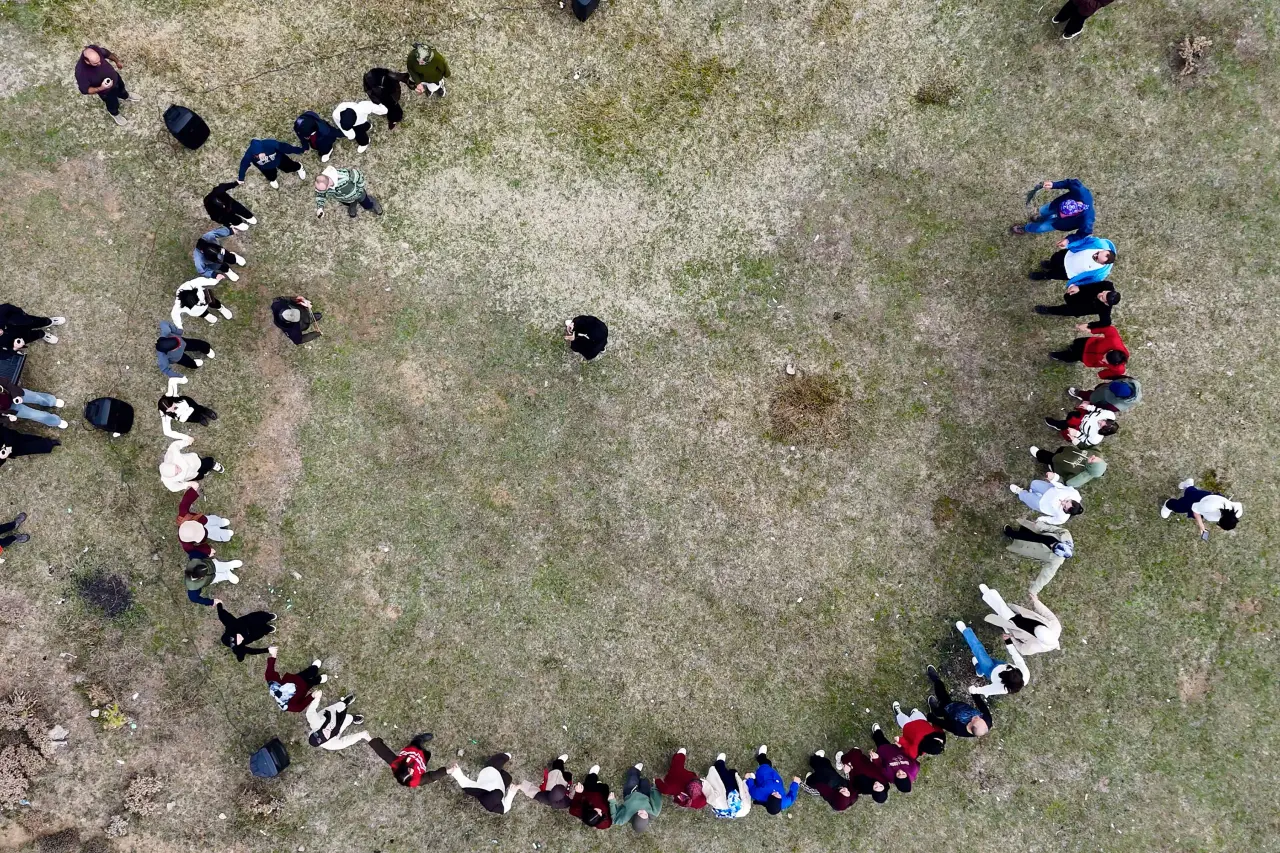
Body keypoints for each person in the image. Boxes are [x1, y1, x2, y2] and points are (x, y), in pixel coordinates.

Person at [980, 583, 1062, 655]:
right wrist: (1036, 602)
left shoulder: (1034, 647)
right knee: (1005, 610)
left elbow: (1022, 650)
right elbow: (1047, 613)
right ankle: (992, 600)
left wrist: (1011, 638)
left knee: (1004, 611)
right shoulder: (1056, 626)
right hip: (1025, 616)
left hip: (1016, 627)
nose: (1035, 628)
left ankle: (988, 594)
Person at [955, 620, 1029, 696]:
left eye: (1007, 670)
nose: (1007, 668)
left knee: (979, 651)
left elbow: (987, 690)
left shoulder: (1001, 688)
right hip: (1000, 664)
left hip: (990, 671)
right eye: (1010, 668)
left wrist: (974, 690)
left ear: (1003, 680)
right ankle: (979, 670)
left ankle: (965, 631)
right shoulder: (1025, 673)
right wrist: (1008, 642)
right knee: (986, 661)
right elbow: (1017, 657)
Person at [1003, 518, 1075, 595]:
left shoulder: (1057, 560)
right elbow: (1053, 529)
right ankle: (1018, 532)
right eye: (1054, 544)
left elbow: (1046, 575)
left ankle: (1011, 534)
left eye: (1053, 548)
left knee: (1024, 540)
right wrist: (1040, 525)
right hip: (1039, 534)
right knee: (1028, 531)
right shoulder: (1066, 535)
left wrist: (1034, 591)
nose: (1051, 545)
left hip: (1034, 547)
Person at [1161, 478, 1243, 539]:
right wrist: (1201, 526)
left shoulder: (1237, 512)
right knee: (1180, 506)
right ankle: (1168, 504)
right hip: (1201, 501)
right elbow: (1195, 509)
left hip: (1208, 498)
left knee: (1193, 494)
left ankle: (1188, 486)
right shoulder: (1209, 506)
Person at [75, 45, 136, 125]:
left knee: (122, 89)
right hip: (106, 92)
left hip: (116, 78)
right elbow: (85, 90)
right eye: (96, 63)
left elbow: (108, 54)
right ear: (87, 61)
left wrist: (117, 61)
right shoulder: (81, 72)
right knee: (112, 103)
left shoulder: (95, 49)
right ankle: (115, 114)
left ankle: (125, 96)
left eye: (100, 60)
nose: (100, 63)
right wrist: (101, 88)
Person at [1011, 178, 1095, 237]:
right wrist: (1054, 184)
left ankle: (1025, 228)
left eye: (1063, 213)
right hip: (1056, 204)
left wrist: (1068, 241)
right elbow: (1069, 183)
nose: (1060, 213)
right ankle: (1041, 218)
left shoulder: (1087, 220)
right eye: (1061, 210)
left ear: (1074, 213)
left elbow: (1084, 234)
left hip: (1061, 223)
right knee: (1043, 210)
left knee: (1040, 228)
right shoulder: (1080, 191)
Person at [925, 665, 992, 738]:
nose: (977, 716)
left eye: (976, 719)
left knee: (942, 698)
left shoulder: (958, 729)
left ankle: (936, 682)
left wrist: (932, 719)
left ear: (970, 726)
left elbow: (943, 724)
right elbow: (981, 705)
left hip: (948, 712)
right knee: (944, 699)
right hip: (959, 706)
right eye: (980, 718)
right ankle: (937, 708)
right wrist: (975, 693)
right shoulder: (987, 720)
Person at [159, 419, 222, 492]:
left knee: (207, 463)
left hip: (194, 461)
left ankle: (213, 465)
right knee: (200, 476)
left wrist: (187, 441)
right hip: (190, 475)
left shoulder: (171, 456)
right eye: (176, 473)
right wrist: (187, 484)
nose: (180, 470)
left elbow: (175, 445)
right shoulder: (167, 480)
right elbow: (174, 488)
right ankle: (204, 473)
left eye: (177, 467)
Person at [1029, 235, 1117, 286]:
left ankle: (1044, 276)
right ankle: (1050, 265)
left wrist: (1075, 285)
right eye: (1098, 253)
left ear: (1103, 263)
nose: (1095, 255)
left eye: (1097, 258)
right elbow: (1084, 240)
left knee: (1053, 274)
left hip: (1068, 273)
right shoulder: (1099, 243)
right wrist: (1069, 244)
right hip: (1067, 255)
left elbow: (1087, 282)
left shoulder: (1099, 274)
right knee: (1054, 258)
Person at [1049, 324, 1129, 380]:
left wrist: (1101, 375)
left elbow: (1115, 372)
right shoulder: (1114, 341)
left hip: (1088, 358)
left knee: (1072, 356)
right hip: (1089, 343)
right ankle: (1072, 348)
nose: (1103, 360)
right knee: (1076, 342)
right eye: (1105, 357)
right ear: (1111, 350)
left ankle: (1060, 356)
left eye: (1106, 362)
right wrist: (1091, 330)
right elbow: (1110, 329)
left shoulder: (1118, 368)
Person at [448, 754, 520, 814]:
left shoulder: (481, 790)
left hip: (489, 772)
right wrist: (512, 792)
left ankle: (503, 758)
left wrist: (456, 772)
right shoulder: (501, 807)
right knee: (507, 777)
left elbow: (466, 784)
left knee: (500, 761)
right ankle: (504, 758)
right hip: (498, 781)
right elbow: (506, 807)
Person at [264, 647, 327, 712]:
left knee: (308, 673)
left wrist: (273, 656)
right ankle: (318, 679)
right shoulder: (292, 706)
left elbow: (269, 673)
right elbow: (301, 706)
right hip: (302, 689)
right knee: (310, 683)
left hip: (295, 679)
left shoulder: (275, 686)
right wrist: (312, 696)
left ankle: (314, 668)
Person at [176, 486, 234, 556]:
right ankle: (224, 535)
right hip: (206, 532)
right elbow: (194, 550)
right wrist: (208, 551)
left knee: (212, 520)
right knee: (213, 533)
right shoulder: (186, 544)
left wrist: (192, 492)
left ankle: (220, 522)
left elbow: (184, 504)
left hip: (204, 520)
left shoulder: (183, 516)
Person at [156, 320, 213, 389]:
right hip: (178, 357)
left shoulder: (166, 332)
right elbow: (165, 369)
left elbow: (164, 323)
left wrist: (177, 331)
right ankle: (194, 364)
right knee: (189, 363)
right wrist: (180, 376)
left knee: (198, 344)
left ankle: (207, 349)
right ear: (173, 349)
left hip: (184, 342)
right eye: (178, 345)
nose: (179, 343)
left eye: (177, 340)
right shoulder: (162, 357)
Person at [1034, 282, 1119, 329]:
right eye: (1103, 292)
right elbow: (1093, 285)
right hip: (1083, 295)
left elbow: (1106, 323)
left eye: (1101, 297)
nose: (1100, 294)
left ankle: (1048, 310)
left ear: (1106, 303)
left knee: (1063, 310)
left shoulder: (1105, 309)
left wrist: (1088, 325)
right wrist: (1079, 288)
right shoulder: (1107, 285)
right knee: (1068, 296)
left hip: (1080, 309)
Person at [305, 691, 371, 751]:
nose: (327, 730)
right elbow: (347, 741)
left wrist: (317, 699)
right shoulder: (331, 744)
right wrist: (361, 735)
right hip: (337, 727)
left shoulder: (315, 722)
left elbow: (310, 712)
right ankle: (353, 718)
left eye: (322, 731)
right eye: (326, 735)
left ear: (316, 730)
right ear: (325, 740)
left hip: (329, 713)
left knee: (338, 706)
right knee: (347, 719)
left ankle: (345, 702)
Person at [1010, 473, 1084, 525]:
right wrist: (1052, 480)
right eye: (1067, 501)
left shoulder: (1062, 518)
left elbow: (1051, 520)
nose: (1062, 502)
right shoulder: (1074, 494)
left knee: (1026, 497)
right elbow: (1062, 487)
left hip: (1042, 504)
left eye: (1064, 507)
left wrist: (1041, 519)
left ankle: (1019, 492)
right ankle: (1035, 493)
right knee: (1034, 483)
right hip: (1049, 490)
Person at [745, 745, 800, 814]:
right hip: (775, 777)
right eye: (779, 796)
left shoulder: (757, 793)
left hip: (763, 776)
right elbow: (792, 797)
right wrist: (795, 784)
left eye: (774, 794)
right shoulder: (784, 802)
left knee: (766, 763)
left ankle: (761, 755)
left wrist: (749, 778)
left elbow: (751, 787)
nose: (777, 793)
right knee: (768, 765)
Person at [314, 166, 382, 219]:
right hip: (343, 199)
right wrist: (320, 207)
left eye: (323, 190)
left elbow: (359, 176)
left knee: (366, 203)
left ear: (328, 184)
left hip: (358, 194)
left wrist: (359, 190)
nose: (321, 191)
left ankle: (371, 204)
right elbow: (320, 194)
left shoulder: (346, 176)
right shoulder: (322, 186)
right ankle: (352, 206)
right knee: (350, 203)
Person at [610, 763, 662, 833]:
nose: (643, 811)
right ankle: (641, 781)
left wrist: (612, 802)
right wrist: (655, 787)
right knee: (645, 782)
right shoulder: (654, 813)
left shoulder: (626, 817)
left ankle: (635, 771)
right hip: (645, 795)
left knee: (632, 780)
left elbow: (614, 819)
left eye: (640, 813)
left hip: (631, 793)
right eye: (645, 814)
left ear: (635, 816)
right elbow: (657, 800)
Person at [237, 138, 307, 188]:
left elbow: (286, 148)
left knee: (289, 168)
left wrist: (299, 150)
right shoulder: (249, 154)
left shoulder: (270, 143)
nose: (261, 156)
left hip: (279, 159)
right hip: (265, 167)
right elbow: (243, 165)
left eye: (261, 152)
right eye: (257, 155)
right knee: (271, 176)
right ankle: (272, 180)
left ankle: (299, 167)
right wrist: (241, 178)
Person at [384, 733, 449, 788]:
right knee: (427, 754)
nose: (412, 771)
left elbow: (384, 753)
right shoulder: (417, 781)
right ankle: (424, 754)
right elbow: (430, 777)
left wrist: (374, 741)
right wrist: (447, 771)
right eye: (411, 774)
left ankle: (419, 739)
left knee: (416, 743)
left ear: (403, 767)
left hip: (412, 750)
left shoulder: (396, 764)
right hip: (421, 761)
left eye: (409, 770)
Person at [0, 378, 68, 430]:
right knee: (34, 415)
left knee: (36, 397)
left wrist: (15, 395)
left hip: (15, 393)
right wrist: (7, 419)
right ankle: (55, 421)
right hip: (10, 409)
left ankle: (52, 401)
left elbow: (6, 382)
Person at [1043, 403, 1119, 448]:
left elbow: (1084, 442)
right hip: (1083, 416)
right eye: (1103, 420)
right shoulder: (1109, 414)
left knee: (1064, 425)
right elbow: (1098, 410)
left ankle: (1057, 425)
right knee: (1071, 414)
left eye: (1100, 424)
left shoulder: (1095, 438)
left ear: (1102, 431)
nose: (1099, 421)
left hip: (1078, 427)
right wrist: (1088, 407)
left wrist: (1077, 434)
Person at [1029, 444, 1107, 488]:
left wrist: (1055, 477)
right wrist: (1076, 440)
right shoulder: (1098, 454)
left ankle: (1038, 454)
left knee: (1048, 457)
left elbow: (1065, 483)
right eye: (1096, 458)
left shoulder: (1078, 478)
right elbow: (1089, 447)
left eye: (1093, 459)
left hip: (1058, 463)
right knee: (1060, 450)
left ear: (1091, 467)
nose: (1093, 456)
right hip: (1067, 451)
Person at [869, 724, 919, 792]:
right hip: (896, 749)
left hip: (884, 752)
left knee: (880, 740)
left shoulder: (889, 776)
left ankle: (877, 733)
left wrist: (876, 759)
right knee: (884, 741)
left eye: (898, 775)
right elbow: (911, 755)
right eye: (903, 774)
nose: (900, 771)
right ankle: (876, 734)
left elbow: (880, 767)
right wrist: (902, 748)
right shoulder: (913, 769)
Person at [702, 754, 751, 818]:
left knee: (724, 777)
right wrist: (748, 781)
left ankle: (720, 763)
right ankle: (729, 771)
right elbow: (746, 793)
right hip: (734, 792)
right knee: (730, 779)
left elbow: (710, 794)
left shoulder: (720, 805)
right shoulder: (745, 808)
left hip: (727, 793)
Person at [0, 304, 65, 352]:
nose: (0, 332)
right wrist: (14, 348)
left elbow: (7, 307)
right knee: (32, 336)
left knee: (36, 321)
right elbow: (3, 355)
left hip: (18, 321)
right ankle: (42, 334)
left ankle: (49, 322)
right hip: (15, 339)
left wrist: (22, 313)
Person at [1070, 377, 1141, 413]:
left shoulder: (1116, 406)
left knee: (1090, 398)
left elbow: (1102, 408)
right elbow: (1118, 377)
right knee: (1092, 393)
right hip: (1102, 391)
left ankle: (1081, 398)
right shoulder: (1131, 381)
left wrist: (1090, 405)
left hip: (1101, 401)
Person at [1051, 0, 1116, 40]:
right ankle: (1060, 18)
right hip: (1083, 3)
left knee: (1078, 17)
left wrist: (1090, 4)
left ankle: (1070, 31)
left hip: (1088, 5)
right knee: (1070, 7)